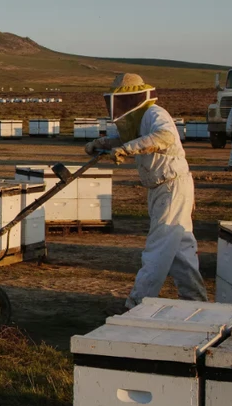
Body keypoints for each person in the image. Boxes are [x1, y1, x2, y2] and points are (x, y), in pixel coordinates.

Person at [86, 73, 207, 311]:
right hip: (161, 187)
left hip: (171, 185)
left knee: (158, 247)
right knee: (180, 250)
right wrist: (101, 144)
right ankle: (195, 302)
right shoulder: (139, 118)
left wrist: (127, 149)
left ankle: (137, 305)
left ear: (135, 97)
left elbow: (165, 136)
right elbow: (128, 138)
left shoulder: (154, 113)